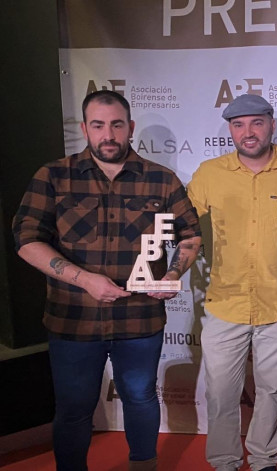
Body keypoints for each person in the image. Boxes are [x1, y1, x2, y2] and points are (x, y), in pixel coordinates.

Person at [12, 90, 202, 471]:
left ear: (130, 128)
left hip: (140, 318)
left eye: (117, 125)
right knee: (73, 409)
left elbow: (190, 236)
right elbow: (26, 240)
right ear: (84, 128)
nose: (108, 134)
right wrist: (84, 280)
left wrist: (173, 273)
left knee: (141, 398)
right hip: (73, 319)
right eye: (98, 125)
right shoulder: (53, 175)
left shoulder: (161, 180)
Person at [187, 94, 277, 471]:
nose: (248, 132)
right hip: (224, 302)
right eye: (238, 124)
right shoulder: (209, 173)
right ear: (230, 129)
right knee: (221, 394)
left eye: (256, 123)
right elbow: (181, 225)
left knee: (271, 391)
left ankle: (263, 460)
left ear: (272, 125)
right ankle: (225, 462)